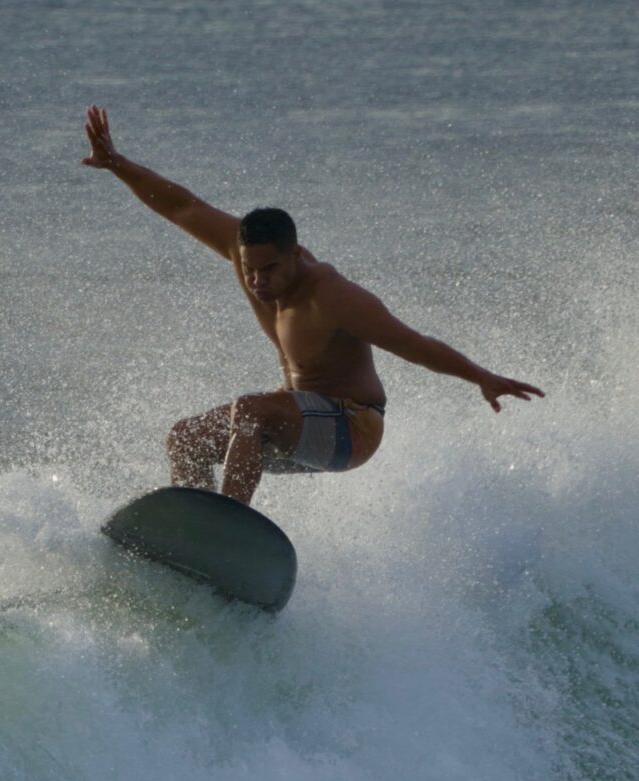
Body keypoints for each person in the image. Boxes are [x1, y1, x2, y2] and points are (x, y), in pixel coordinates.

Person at [82, 106, 545, 506]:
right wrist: (117, 164)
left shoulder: (331, 295)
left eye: (270, 269)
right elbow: (182, 206)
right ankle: (195, 534)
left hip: (353, 428)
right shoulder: (242, 251)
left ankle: (229, 524)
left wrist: (480, 377)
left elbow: (412, 343)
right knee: (186, 439)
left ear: (295, 254)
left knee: (251, 410)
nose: (258, 281)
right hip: (298, 418)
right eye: (249, 270)